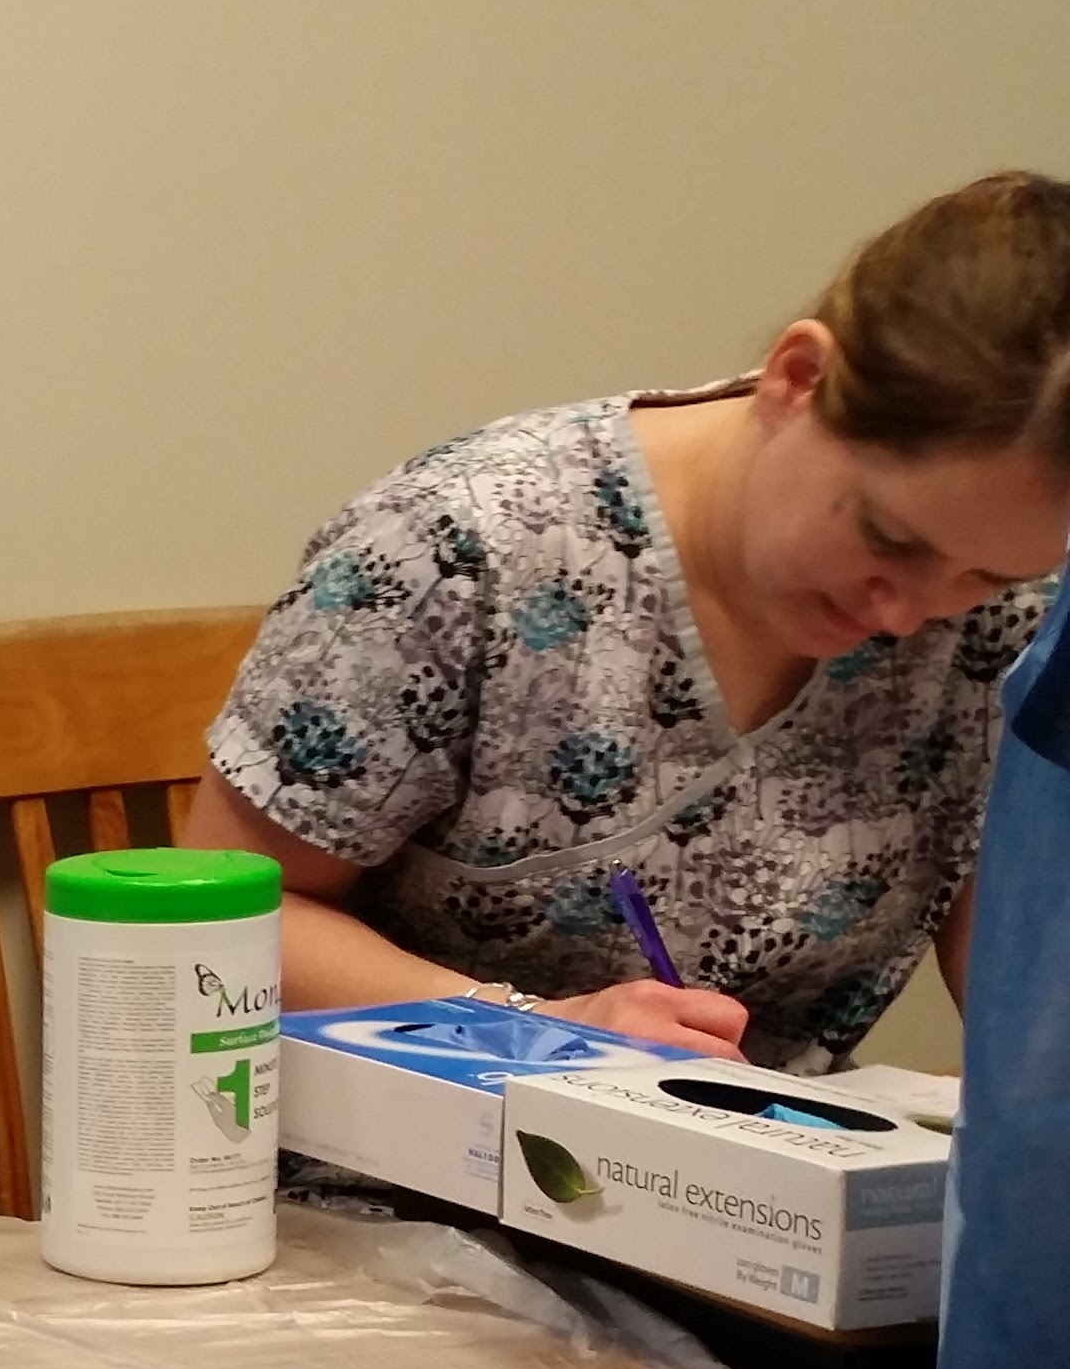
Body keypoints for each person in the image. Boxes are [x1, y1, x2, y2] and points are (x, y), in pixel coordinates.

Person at [189, 174, 1070, 1073]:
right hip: (407, 1176)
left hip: (775, 1180)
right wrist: (538, 1027)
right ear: (798, 380)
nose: (912, 611)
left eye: (990, 575)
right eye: (889, 537)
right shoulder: (462, 549)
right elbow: (224, 914)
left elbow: (1021, 973)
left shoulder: (1008, 624)